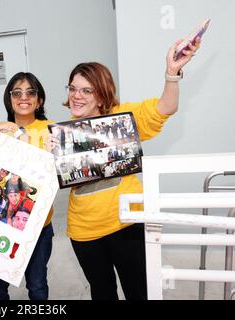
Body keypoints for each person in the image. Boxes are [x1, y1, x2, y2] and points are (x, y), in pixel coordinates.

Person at [53, 38, 200, 300]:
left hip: (127, 224)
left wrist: (172, 74)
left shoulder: (122, 118)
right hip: (84, 231)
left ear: (102, 94)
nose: (76, 95)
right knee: (102, 294)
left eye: (86, 90)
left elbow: (165, 107)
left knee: (139, 292)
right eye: (73, 88)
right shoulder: (59, 134)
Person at [0, 71, 55, 300]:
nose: (23, 97)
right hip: (3, 224)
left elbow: (54, 175)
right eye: (17, 92)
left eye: (30, 92)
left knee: (37, 286)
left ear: (40, 100)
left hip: (38, 226)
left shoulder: (52, 130)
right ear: (9, 98)